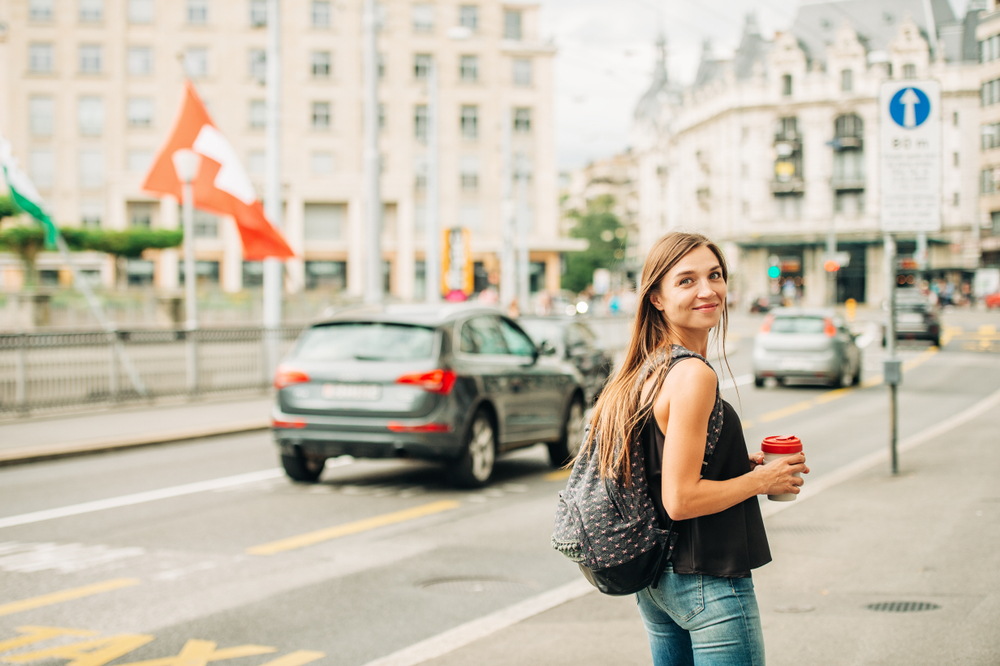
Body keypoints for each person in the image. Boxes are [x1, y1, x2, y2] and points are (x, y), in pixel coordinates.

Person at [582, 231, 809, 665]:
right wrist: (762, 480)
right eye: (686, 281)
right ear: (657, 298)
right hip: (707, 578)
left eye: (715, 275)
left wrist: (735, 464)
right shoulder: (693, 375)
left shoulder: (645, 367)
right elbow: (680, 498)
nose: (708, 290)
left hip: (658, 583)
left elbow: (658, 465)